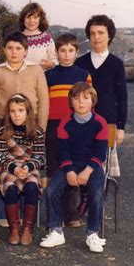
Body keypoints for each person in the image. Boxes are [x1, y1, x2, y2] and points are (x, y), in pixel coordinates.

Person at [0, 31, 49, 226]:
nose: (14, 52)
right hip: (4, 125)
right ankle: (5, 214)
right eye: (10, 48)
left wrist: (41, 129)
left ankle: (26, 216)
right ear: (4, 49)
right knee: (2, 165)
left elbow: (44, 100)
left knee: (27, 166)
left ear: (25, 51)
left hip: (31, 125)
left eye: (18, 48)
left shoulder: (36, 70)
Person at [40, 82, 109, 253]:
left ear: (92, 101)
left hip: (91, 167)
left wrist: (87, 171)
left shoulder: (100, 123)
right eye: (76, 98)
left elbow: (100, 153)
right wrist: (69, 170)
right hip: (70, 165)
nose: (81, 102)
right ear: (71, 102)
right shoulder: (65, 123)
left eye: (85, 98)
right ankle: (56, 230)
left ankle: (92, 234)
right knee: (51, 190)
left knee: (97, 192)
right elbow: (62, 151)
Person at [45, 33, 91, 227]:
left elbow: (90, 102)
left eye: (70, 51)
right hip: (53, 126)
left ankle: (71, 213)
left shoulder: (83, 75)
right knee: (56, 170)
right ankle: (56, 216)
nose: (66, 54)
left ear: (76, 52)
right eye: (62, 51)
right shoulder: (49, 75)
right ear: (57, 52)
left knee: (72, 167)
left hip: (75, 125)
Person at [0, 94, 45, 246]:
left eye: (21, 110)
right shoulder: (3, 131)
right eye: (13, 111)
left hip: (29, 166)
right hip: (8, 167)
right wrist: (14, 169)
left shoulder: (37, 132)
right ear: (8, 113)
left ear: (27, 112)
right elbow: (0, 155)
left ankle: (27, 229)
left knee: (31, 186)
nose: (16, 114)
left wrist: (27, 167)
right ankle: (14, 229)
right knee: (10, 188)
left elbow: (40, 156)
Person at [75, 15, 127, 147]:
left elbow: (122, 98)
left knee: (104, 166)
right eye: (92, 33)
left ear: (109, 36)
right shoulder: (80, 63)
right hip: (82, 123)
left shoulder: (117, 64)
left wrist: (121, 128)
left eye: (101, 33)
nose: (96, 37)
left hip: (108, 123)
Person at [19, 2, 58, 70]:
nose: (31, 21)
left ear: (40, 19)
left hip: (42, 77)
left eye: (35, 17)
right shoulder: (17, 38)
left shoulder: (47, 38)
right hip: (21, 77)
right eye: (28, 17)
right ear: (23, 19)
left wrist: (51, 64)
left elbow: (55, 59)